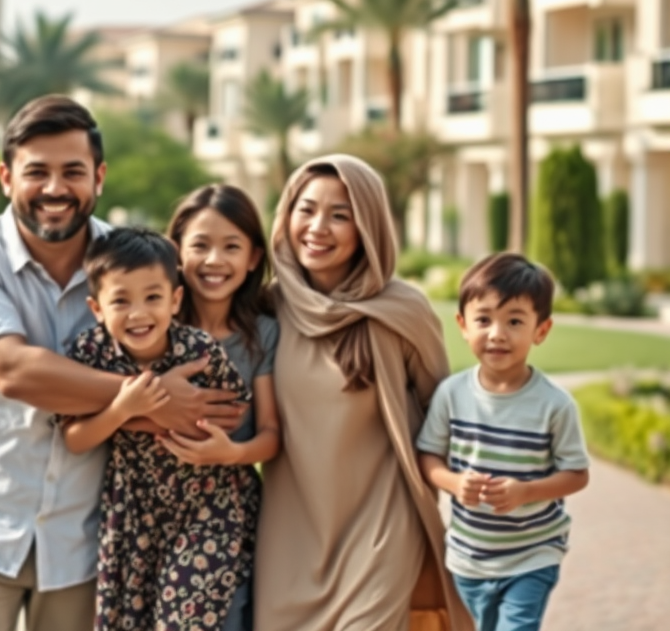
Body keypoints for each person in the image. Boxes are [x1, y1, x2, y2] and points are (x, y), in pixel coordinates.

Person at [0, 96, 245, 631]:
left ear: (99, 177)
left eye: (72, 171)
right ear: (6, 178)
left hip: (83, 543)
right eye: (36, 172)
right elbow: (15, 371)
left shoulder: (131, 262)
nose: (54, 189)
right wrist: (154, 400)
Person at [253, 154, 473, 631]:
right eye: (305, 209)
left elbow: (446, 415)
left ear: (368, 225)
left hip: (382, 530)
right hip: (289, 535)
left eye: (340, 215)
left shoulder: (403, 311)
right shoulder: (266, 309)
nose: (318, 227)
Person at [61, 226, 260, 631]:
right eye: (121, 300)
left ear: (175, 299)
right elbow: (74, 438)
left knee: (184, 622)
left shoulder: (200, 352)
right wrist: (124, 409)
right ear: (97, 308)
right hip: (133, 511)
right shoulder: (88, 354)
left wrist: (196, 429)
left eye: (153, 297)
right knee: (125, 620)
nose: (138, 313)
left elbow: (232, 411)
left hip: (207, 506)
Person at [416, 253, 590, 631]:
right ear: (463, 325)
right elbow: (428, 457)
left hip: (532, 555)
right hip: (468, 557)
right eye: (484, 319)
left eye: (514, 321)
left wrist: (526, 492)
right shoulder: (451, 395)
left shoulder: (555, 405)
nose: (497, 333)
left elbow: (577, 475)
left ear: (540, 331)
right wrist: (455, 483)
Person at [161, 183, 282, 631]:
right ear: (176, 252)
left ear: (253, 257)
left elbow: (271, 433)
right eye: (200, 245)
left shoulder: (262, 335)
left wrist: (230, 454)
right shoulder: (155, 327)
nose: (214, 260)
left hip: (224, 516)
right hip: (146, 511)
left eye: (231, 247)